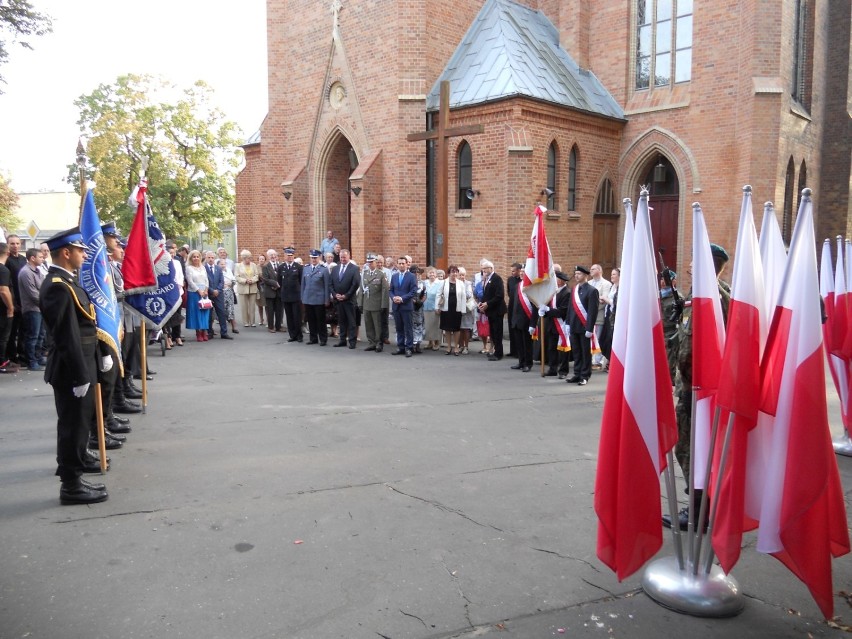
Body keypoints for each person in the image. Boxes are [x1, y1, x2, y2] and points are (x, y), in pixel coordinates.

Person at [39, 227, 110, 504]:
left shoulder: (68, 281)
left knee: (79, 424)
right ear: (66, 253)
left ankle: (76, 473)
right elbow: (66, 334)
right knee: (73, 425)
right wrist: (81, 375)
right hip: (72, 369)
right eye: (80, 250)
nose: (84, 254)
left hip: (81, 364)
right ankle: (70, 486)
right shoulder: (58, 286)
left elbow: (86, 323)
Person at [663, 244, 730, 531]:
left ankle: (700, 513)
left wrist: (687, 386)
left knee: (693, 450)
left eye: (693, 261)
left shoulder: (712, 297)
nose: (688, 266)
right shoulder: (708, 293)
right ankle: (704, 506)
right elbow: (681, 336)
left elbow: (691, 349)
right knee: (696, 449)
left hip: (699, 391)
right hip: (696, 388)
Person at [541, 265, 598, 385]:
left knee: (585, 352)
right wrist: (567, 322)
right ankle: (577, 374)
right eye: (576, 273)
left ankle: (585, 375)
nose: (577, 276)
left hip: (584, 326)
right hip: (574, 326)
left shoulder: (592, 291)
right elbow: (570, 309)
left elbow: (593, 311)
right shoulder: (574, 289)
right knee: (576, 351)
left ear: (586, 275)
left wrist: (589, 328)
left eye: (580, 274)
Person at [18, 247, 45, 370]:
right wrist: (46, 302)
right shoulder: (26, 272)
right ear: (32, 258)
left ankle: (38, 357)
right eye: (40, 257)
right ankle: (31, 361)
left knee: (40, 335)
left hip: (40, 309)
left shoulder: (38, 271)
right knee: (32, 336)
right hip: (32, 309)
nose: (43, 258)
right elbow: (33, 294)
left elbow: (44, 288)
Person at [356, 253, 388, 352]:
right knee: (368, 324)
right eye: (368, 262)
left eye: (372, 262)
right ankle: (371, 342)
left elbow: (384, 290)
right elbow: (361, 289)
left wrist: (384, 305)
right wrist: (360, 303)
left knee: (377, 325)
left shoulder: (381, 274)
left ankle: (379, 342)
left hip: (377, 303)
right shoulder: (364, 274)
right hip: (367, 303)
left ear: (376, 262)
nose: (370, 264)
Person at [331, 249, 361, 349]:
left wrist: (346, 295)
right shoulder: (335, 268)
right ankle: (342, 340)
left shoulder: (354, 268)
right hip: (338, 300)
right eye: (341, 257)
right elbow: (331, 283)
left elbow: (355, 284)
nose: (342, 259)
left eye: (344, 257)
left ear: (349, 257)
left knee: (351, 321)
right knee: (341, 321)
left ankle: (352, 341)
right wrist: (335, 294)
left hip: (349, 300)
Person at [389, 256, 418, 356]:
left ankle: (409, 348)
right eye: (399, 263)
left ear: (406, 264)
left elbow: (413, 291)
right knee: (399, 328)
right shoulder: (394, 276)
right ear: (397, 265)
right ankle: (400, 347)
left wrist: (402, 298)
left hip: (406, 306)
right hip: (396, 306)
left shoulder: (412, 276)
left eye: (403, 263)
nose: (401, 265)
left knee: (408, 328)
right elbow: (391, 290)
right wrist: (393, 297)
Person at [301, 249, 331, 345]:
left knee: (320, 320)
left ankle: (323, 338)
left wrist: (327, 299)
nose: (313, 260)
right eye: (312, 258)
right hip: (308, 298)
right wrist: (302, 297)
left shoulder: (324, 269)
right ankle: (313, 338)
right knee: (311, 320)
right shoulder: (306, 268)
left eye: (315, 258)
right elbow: (303, 284)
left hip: (319, 299)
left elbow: (327, 286)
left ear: (319, 258)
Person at [478, 259, 506, 361]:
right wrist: (482, 303)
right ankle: (495, 351)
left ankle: (499, 353)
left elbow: (499, 296)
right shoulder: (486, 278)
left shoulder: (497, 278)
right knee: (493, 333)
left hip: (497, 310)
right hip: (490, 311)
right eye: (482, 269)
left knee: (497, 332)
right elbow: (487, 294)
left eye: (485, 268)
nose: (483, 270)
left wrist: (487, 304)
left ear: (491, 268)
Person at [5, 234, 26, 364]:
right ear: (7, 244)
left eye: (17, 243)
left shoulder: (23, 259)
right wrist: (13, 303)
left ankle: (22, 354)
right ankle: (11, 355)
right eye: (12, 243)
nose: (15, 246)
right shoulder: (6, 260)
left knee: (24, 330)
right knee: (12, 331)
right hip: (12, 299)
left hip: (24, 299)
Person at [436, 265, 466, 356]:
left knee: (456, 329)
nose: (455, 273)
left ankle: (456, 347)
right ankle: (448, 347)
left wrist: (463, 309)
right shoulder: (444, 282)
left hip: (457, 309)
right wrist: (437, 307)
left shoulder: (461, 283)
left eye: (456, 272)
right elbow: (438, 294)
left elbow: (463, 297)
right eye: (453, 272)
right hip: (446, 309)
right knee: (447, 329)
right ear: (449, 273)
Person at [588, 264, 612, 370]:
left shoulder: (606, 284)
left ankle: (597, 361)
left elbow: (604, 300)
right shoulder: (589, 283)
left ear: (599, 270)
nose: (591, 270)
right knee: (589, 337)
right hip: (587, 315)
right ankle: (589, 359)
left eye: (593, 269)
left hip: (599, 315)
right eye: (591, 269)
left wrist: (592, 305)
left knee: (597, 337)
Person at [184, 250, 211, 341]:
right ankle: (198, 332)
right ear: (191, 258)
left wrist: (206, 290)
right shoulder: (189, 268)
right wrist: (199, 291)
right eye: (194, 257)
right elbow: (190, 281)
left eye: (197, 256)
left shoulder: (203, 267)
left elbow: (206, 279)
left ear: (200, 258)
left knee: (204, 312)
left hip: (204, 292)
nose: (196, 258)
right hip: (194, 292)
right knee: (196, 312)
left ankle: (204, 331)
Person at [205, 252, 232, 339]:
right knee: (209, 314)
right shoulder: (203, 268)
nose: (210, 259)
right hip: (208, 294)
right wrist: (212, 290)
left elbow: (221, 281)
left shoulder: (218, 268)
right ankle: (209, 332)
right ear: (206, 258)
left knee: (221, 313)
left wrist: (218, 290)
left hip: (219, 294)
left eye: (212, 257)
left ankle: (224, 332)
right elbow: (204, 282)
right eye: (209, 257)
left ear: (214, 258)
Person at [279, 246, 303, 342]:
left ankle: (299, 335)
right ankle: (292, 335)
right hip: (286, 295)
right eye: (288, 255)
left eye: (291, 255)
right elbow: (279, 281)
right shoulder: (281, 267)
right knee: (289, 317)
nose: (290, 257)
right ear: (285, 256)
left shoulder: (298, 267)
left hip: (296, 295)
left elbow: (301, 281)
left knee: (297, 316)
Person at [0, 243, 18, 373]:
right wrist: (10, 307)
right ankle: (2, 362)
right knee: (3, 337)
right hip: (2, 310)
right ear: (7, 253)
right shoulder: (3, 270)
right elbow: (3, 291)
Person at [234, 250, 259, 327]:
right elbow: (237, 277)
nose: (249, 259)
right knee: (244, 306)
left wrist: (253, 280)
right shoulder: (238, 266)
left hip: (253, 287)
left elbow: (257, 275)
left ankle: (252, 321)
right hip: (242, 288)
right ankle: (246, 322)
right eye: (248, 258)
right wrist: (245, 281)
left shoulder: (254, 265)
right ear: (244, 258)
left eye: (250, 258)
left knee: (252, 306)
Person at [262, 249, 283, 333]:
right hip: (270, 292)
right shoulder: (265, 267)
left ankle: (278, 326)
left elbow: (283, 277)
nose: (273, 256)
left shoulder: (281, 265)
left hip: (279, 291)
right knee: (270, 311)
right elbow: (265, 279)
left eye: (274, 255)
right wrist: (275, 284)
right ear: (268, 257)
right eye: (271, 255)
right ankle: (271, 327)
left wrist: (279, 285)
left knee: (279, 310)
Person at [422, 267, 443, 350]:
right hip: (426, 306)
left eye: (433, 273)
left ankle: (437, 343)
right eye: (430, 273)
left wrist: (439, 307)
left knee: (436, 326)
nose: (432, 274)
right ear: (427, 275)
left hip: (435, 307)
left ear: (436, 274)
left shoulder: (440, 283)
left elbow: (441, 295)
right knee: (428, 326)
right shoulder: (425, 283)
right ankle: (430, 342)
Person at [457, 266, 475, 354]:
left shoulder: (468, 283)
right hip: (458, 308)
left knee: (466, 328)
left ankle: (466, 347)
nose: (461, 277)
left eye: (463, 275)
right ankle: (460, 346)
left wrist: (460, 292)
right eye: (460, 275)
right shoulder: (455, 283)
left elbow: (469, 294)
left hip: (467, 309)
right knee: (459, 328)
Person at [506, 262, 522, 358]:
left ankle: (519, 352)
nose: (512, 273)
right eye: (511, 271)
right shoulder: (510, 280)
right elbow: (509, 292)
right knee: (511, 328)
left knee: (518, 329)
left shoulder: (522, 280)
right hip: (512, 306)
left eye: (514, 271)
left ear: (519, 271)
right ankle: (513, 351)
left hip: (520, 308)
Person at [219, 258, 239, 335]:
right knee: (221, 311)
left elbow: (234, 280)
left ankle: (234, 327)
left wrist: (231, 283)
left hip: (229, 292)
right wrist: (222, 285)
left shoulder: (229, 270)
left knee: (231, 309)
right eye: (221, 264)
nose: (223, 265)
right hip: (220, 293)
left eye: (224, 264)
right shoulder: (217, 271)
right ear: (218, 265)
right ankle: (222, 329)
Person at [410, 265, 426, 353]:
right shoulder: (409, 281)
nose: (416, 274)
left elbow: (425, 294)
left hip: (419, 307)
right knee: (411, 325)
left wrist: (420, 301)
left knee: (419, 325)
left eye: (418, 273)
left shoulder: (422, 283)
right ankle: (411, 344)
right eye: (414, 272)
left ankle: (418, 344)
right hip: (410, 306)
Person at [255, 254, 267, 326]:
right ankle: (261, 319)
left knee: (266, 305)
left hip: (266, 288)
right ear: (258, 260)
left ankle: (267, 319)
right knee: (259, 305)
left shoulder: (267, 267)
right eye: (260, 259)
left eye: (263, 259)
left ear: (265, 260)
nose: (261, 260)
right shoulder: (256, 267)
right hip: (259, 287)